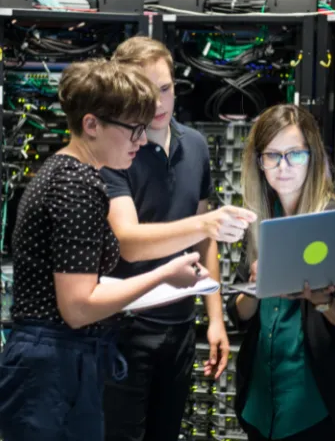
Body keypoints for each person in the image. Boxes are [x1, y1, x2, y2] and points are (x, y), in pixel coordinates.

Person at [0, 59, 210, 441]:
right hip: (53, 367)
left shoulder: (73, 175)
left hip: (58, 363)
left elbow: (86, 290)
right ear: (91, 125)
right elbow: (79, 308)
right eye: (133, 130)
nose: (142, 141)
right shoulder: (75, 186)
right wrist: (164, 274)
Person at [100, 36, 257, 441]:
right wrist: (203, 226)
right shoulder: (116, 151)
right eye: (146, 91)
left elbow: (203, 241)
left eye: (165, 89)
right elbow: (129, 241)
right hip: (126, 330)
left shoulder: (196, 146)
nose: (157, 103)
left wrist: (216, 318)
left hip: (182, 326)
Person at [227, 104, 335, 441]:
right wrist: (254, 288)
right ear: (259, 162)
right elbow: (239, 314)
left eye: (294, 154)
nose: (283, 167)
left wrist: (324, 302)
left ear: (312, 157)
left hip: (315, 409)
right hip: (261, 406)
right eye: (272, 156)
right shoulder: (259, 219)